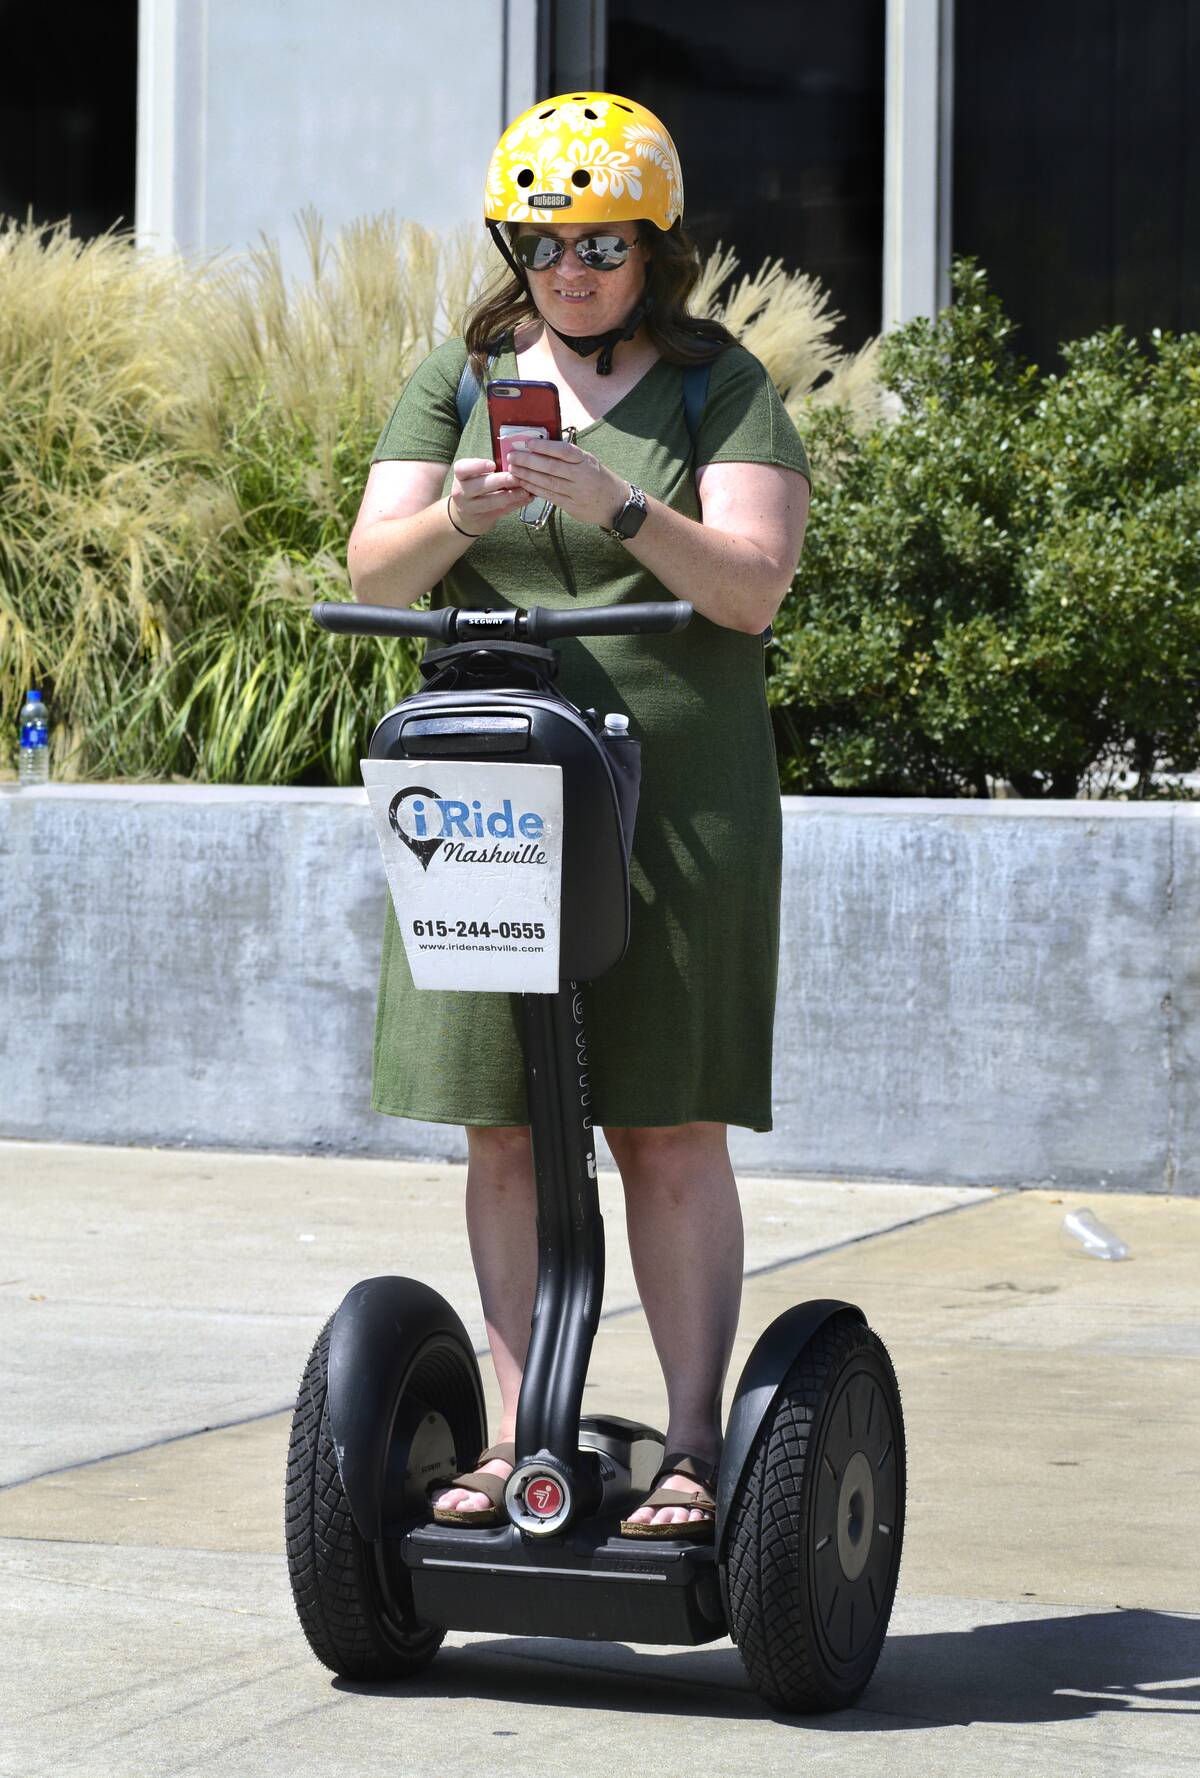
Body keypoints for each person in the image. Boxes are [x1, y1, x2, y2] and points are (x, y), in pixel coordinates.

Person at [347, 91, 810, 1537]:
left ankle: (689, 1443)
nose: (570, 268)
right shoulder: (462, 373)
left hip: (679, 796)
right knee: (503, 1121)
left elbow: (750, 586)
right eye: (541, 241)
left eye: (602, 241)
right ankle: (510, 1431)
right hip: (493, 787)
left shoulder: (716, 382)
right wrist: (468, 515)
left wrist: (618, 506)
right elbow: (375, 574)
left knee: (667, 1123)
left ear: (651, 244)